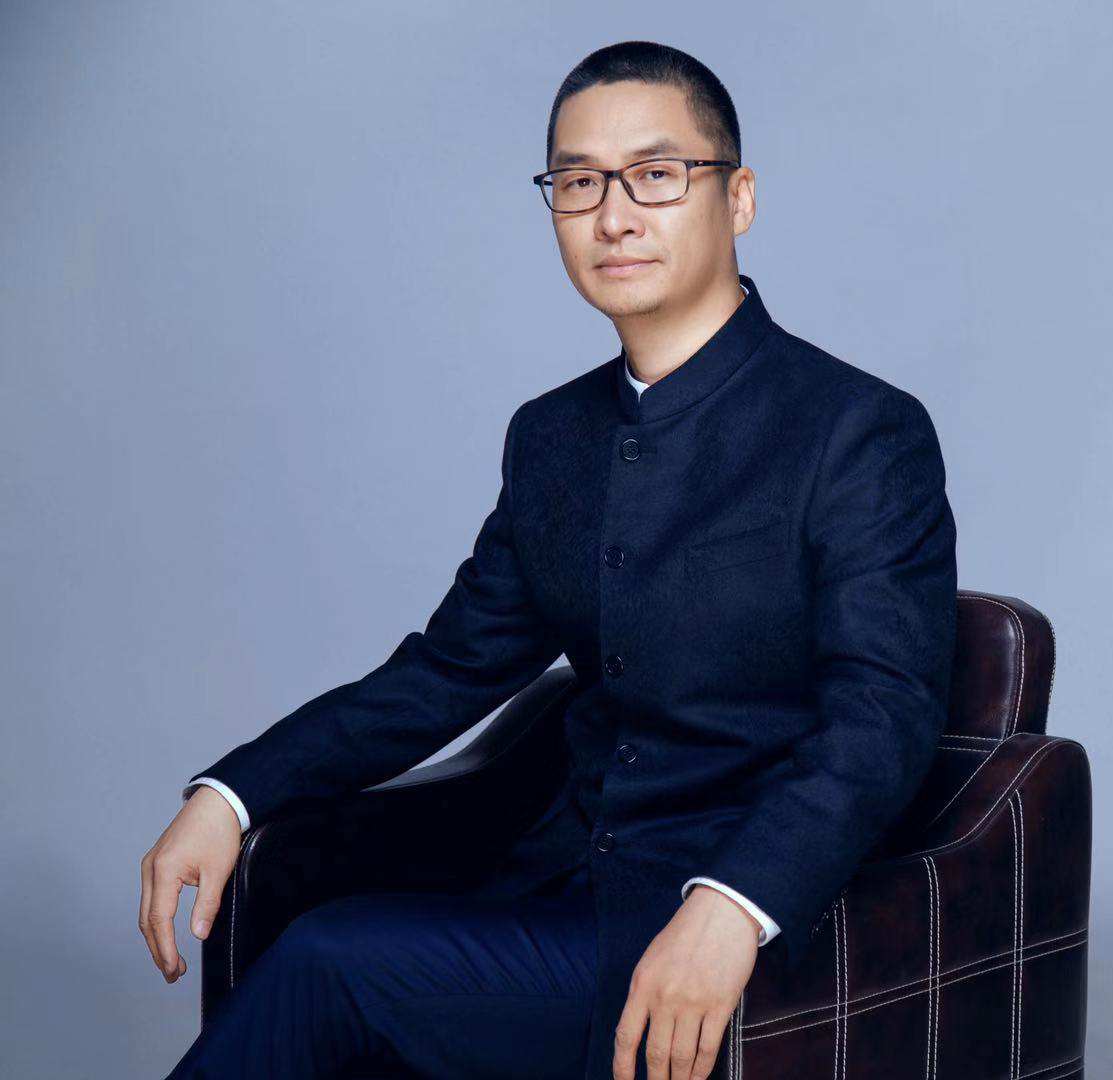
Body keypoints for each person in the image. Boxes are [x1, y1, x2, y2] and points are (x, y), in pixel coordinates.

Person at [142, 39, 957, 1080]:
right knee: (336, 961)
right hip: (552, 881)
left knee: (331, 962)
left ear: (739, 197)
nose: (614, 215)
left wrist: (735, 903)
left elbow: (882, 718)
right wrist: (233, 793)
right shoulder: (552, 436)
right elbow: (446, 670)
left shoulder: (858, 429)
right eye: (578, 183)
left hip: (727, 919)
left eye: (656, 174)